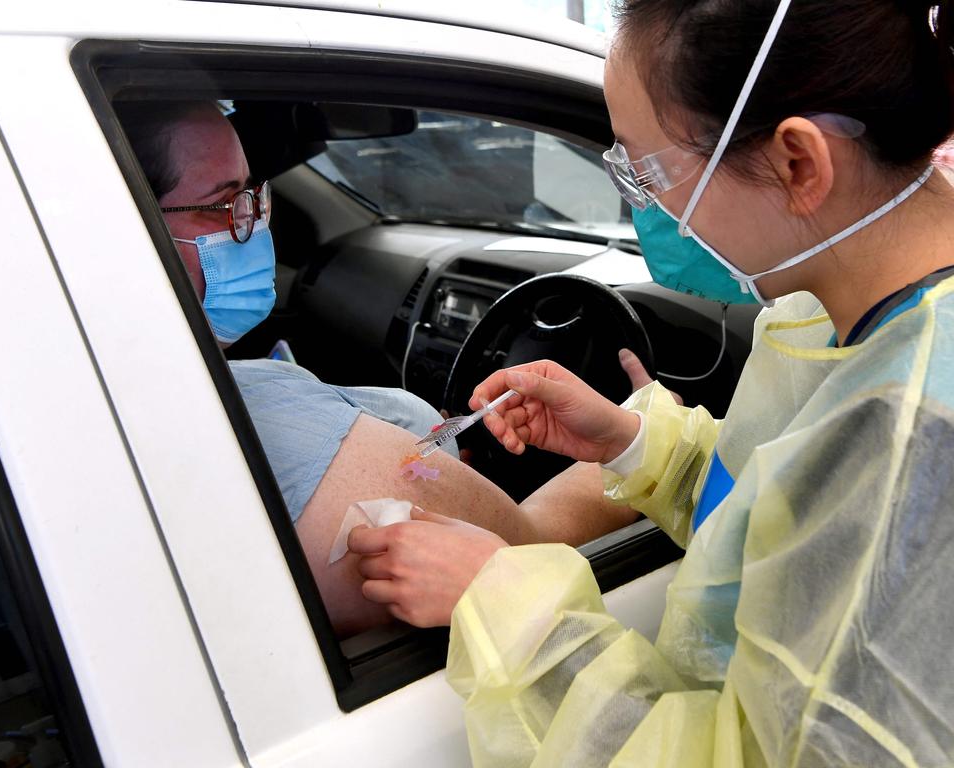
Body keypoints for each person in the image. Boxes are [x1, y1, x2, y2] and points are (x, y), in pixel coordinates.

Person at [350, 0, 954, 764]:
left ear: (798, 162)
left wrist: (502, 603)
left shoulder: (921, 434)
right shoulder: (819, 310)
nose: (648, 208)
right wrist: (638, 445)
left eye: (648, 169)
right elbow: (790, 512)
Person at [114, 100, 641, 636]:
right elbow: (529, 551)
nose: (250, 222)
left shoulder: (120, 394)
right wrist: (641, 441)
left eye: (253, 195)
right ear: (130, 230)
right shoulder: (261, 421)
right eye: (222, 205)